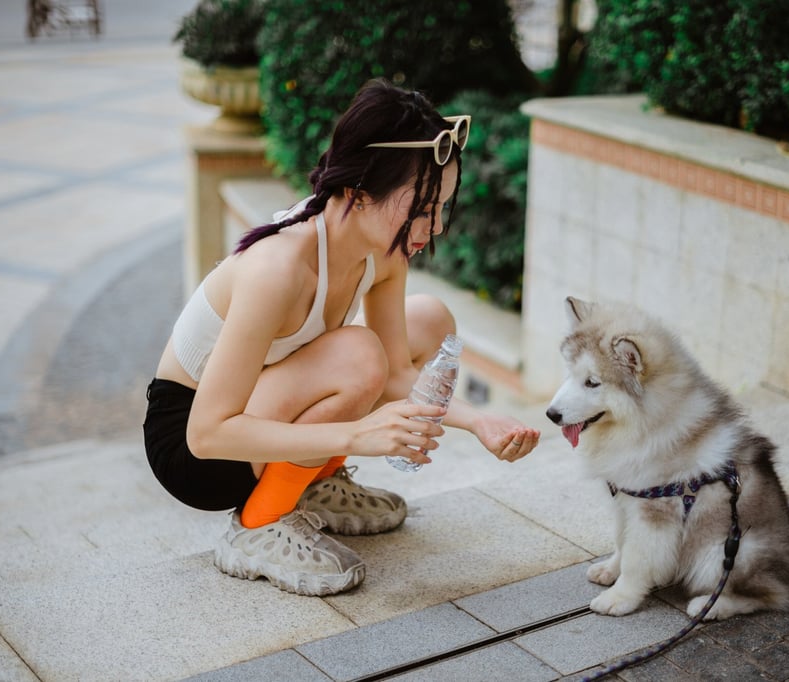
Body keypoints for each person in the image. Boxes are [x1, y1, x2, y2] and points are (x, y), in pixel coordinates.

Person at [143, 78, 541, 597]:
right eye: (421, 210)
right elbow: (207, 434)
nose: (436, 226)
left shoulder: (384, 253)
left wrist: (478, 421)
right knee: (357, 355)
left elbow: (400, 373)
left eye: (441, 207)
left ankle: (314, 483)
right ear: (356, 192)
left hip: (256, 411)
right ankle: (260, 523)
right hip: (195, 448)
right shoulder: (278, 268)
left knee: (430, 320)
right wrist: (356, 435)